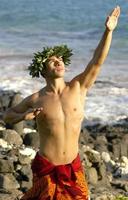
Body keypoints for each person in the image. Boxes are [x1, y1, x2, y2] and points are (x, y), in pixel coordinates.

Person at [4, 6, 120, 200]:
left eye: (60, 59)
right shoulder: (35, 99)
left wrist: (108, 32)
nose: (58, 61)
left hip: (73, 170)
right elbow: (7, 115)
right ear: (43, 71)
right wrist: (24, 116)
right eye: (52, 61)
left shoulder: (78, 87)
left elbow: (97, 62)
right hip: (47, 170)